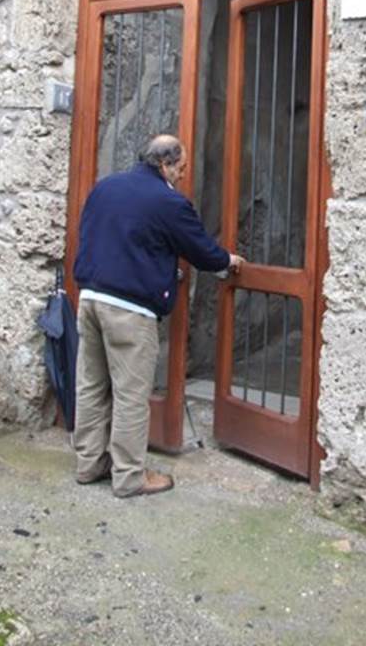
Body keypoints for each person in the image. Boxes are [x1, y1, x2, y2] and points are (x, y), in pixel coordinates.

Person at [72, 133, 244, 498]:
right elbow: (200, 250)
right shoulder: (169, 202)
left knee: (91, 386)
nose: (182, 175)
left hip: (89, 299)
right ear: (164, 164)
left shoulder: (105, 188)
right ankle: (130, 476)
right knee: (131, 395)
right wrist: (227, 260)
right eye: (180, 168)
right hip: (129, 310)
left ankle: (89, 464)